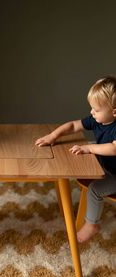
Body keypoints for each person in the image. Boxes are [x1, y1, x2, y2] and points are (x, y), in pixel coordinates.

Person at [35, 76, 116, 243]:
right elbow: (73, 126)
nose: (92, 112)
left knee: (94, 189)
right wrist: (53, 135)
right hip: (106, 166)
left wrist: (89, 148)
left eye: (97, 109)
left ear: (114, 111)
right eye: (91, 108)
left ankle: (91, 224)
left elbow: (114, 148)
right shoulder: (97, 121)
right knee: (82, 160)